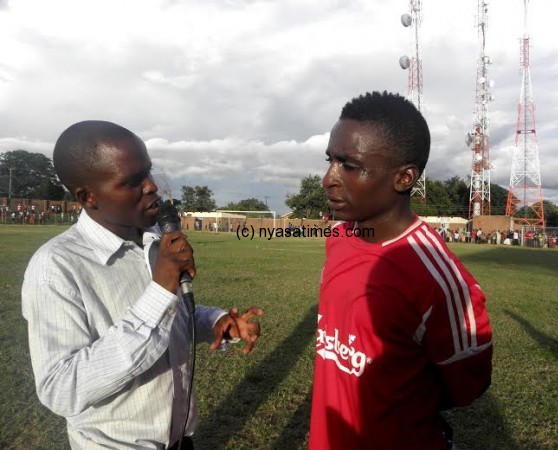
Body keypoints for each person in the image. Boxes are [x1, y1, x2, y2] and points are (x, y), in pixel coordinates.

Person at [21, 120, 263, 450]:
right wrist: (161, 290)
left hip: (182, 440)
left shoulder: (152, 242)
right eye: (133, 181)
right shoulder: (56, 267)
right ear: (88, 196)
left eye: (148, 173)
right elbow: (60, 388)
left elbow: (168, 320)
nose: (151, 186)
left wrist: (215, 322)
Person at [309, 92, 493, 450]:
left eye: (349, 165)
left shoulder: (436, 278)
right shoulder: (339, 237)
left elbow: (466, 385)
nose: (327, 179)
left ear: (404, 177)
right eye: (330, 161)